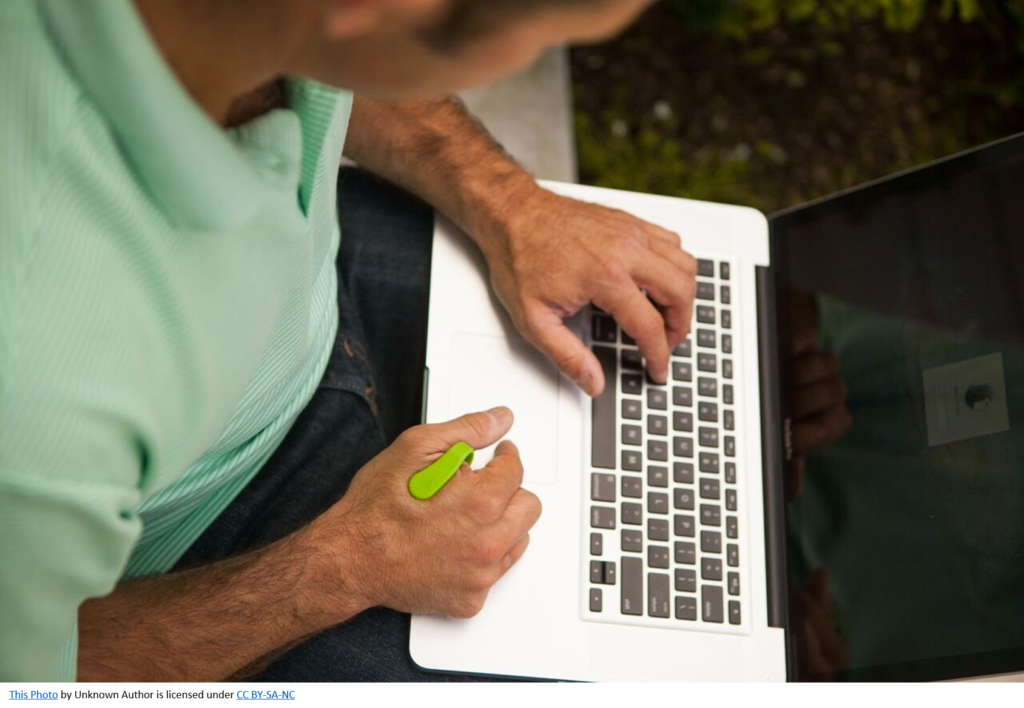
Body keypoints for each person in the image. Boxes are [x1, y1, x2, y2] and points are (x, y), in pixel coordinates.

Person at [0, 0, 700, 682]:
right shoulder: (41, 375)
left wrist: (507, 201)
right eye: (544, 40)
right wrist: (350, 563)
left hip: (320, 295)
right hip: (211, 553)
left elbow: (319, 44)